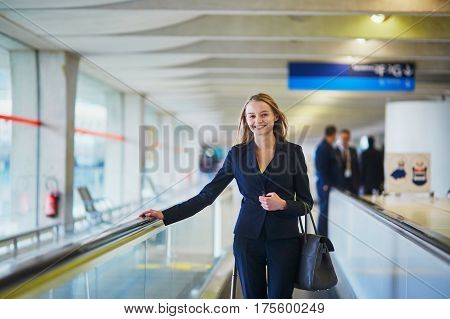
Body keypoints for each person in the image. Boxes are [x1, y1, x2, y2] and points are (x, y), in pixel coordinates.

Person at [139, 93, 313, 299]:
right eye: (252, 116)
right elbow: (207, 195)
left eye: (264, 114)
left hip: (284, 240)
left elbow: (306, 204)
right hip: (247, 239)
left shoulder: (293, 153)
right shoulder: (237, 155)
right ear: (245, 120)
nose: (258, 121)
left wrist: (283, 204)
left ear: (276, 116)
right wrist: (165, 214)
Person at [314, 125, 342, 237]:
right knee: (324, 210)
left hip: (329, 184)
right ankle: (321, 236)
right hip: (324, 184)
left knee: (327, 210)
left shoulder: (330, 147)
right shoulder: (323, 148)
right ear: (333, 134)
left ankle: (325, 234)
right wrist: (325, 183)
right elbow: (321, 167)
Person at [336, 129, 360, 195]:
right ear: (340, 138)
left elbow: (357, 166)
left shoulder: (353, 150)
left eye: (347, 138)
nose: (345, 140)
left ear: (349, 139)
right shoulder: (334, 151)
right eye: (343, 138)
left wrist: (358, 182)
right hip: (340, 183)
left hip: (352, 183)